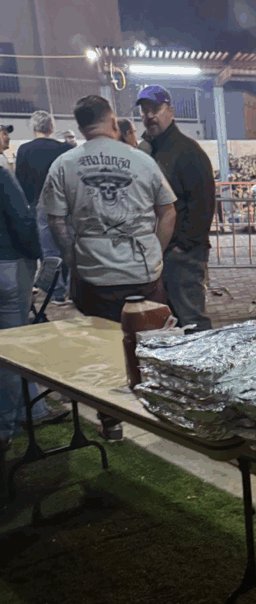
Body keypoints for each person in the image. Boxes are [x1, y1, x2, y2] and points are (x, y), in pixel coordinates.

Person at [41, 94, 177, 440]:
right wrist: (154, 252)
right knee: (151, 344)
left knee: (103, 349)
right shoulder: (141, 160)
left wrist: (74, 259)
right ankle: (161, 414)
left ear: (81, 124)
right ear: (112, 120)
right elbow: (168, 210)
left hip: (94, 274)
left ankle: (111, 420)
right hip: (142, 273)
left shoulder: (64, 164)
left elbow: (56, 221)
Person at [137, 84, 216, 331]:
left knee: (191, 321)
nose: (149, 115)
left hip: (182, 256)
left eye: (155, 109)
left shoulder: (188, 151)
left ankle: (205, 368)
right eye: (144, 110)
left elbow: (203, 204)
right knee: (164, 324)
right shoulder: (146, 151)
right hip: (156, 252)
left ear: (170, 110)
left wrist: (183, 246)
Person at [0, 165, 63, 449]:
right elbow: (22, 220)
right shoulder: (1, 175)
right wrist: (36, 256)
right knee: (14, 347)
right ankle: (9, 424)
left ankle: (34, 409)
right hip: (9, 266)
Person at [14, 111, 73, 304]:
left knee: (49, 252)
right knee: (72, 247)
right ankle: (74, 292)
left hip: (39, 207)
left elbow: (20, 183)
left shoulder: (24, 150)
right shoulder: (64, 148)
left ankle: (57, 293)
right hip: (65, 204)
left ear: (34, 128)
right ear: (51, 127)